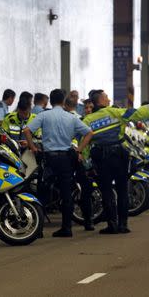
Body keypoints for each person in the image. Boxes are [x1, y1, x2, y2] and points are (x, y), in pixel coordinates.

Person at [83, 90, 149, 234]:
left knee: (106, 192)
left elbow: (84, 144)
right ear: (100, 102)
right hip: (119, 156)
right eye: (106, 97)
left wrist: (87, 165)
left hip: (101, 158)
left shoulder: (87, 120)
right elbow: (139, 113)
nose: (109, 99)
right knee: (122, 190)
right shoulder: (116, 113)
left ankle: (112, 225)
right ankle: (123, 225)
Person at [23, 89, 94, 237]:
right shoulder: (71, 117)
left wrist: (33, 148)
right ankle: (67, 228)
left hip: (49, 159)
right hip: (67, 159)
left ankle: (39, 230)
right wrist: (79, 150)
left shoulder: (44, 115)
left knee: (43, 193)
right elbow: (89, 133)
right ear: (63, 101)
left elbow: (27, 130)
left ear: (50, 101)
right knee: (66, 193)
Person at [64, 94, 95, 230]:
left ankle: (89, 220)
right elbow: (74, 139)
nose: (88, 110)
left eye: (90, 107)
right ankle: (87, 221)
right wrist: (79, 152)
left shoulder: (96, 122)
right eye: (86, 108)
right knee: (83, 191)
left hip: (95, 160)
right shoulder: (80, 121)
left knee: (88, 191)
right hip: (82, 161)